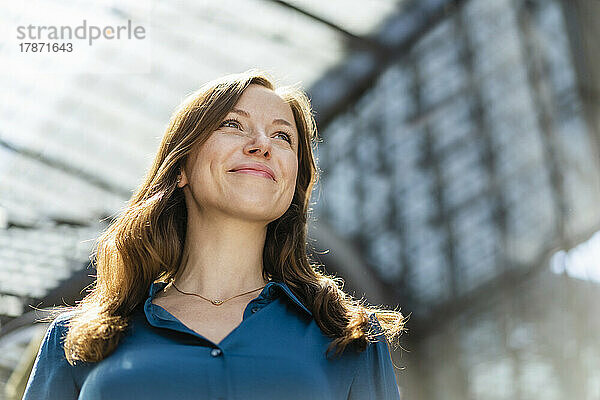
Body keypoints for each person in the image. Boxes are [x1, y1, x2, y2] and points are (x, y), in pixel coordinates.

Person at [22, 69, 407, 399]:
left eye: (282, 137)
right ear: (180, 169)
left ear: (292, 185)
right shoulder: (77, 338)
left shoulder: (351, 338)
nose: (261, 145)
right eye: (233, 125)